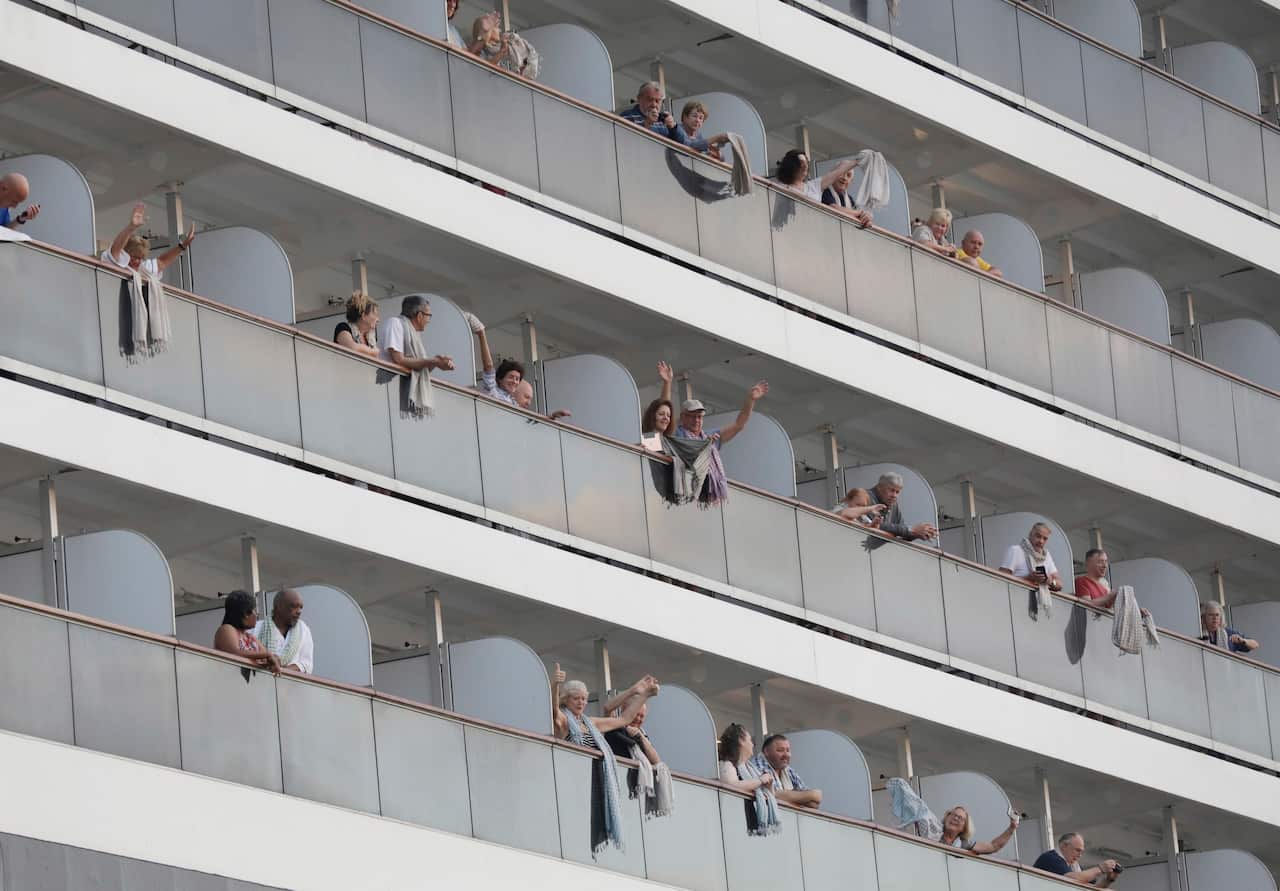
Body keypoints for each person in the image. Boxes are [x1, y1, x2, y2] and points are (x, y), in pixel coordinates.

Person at [551, 665, 659, 854]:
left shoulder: (590, 722)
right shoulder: (565, 722)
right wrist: (555, 685)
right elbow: (553, 712)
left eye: (584, 698)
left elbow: (624, 719)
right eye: (576, 698)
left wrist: (644, 694)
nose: (581, 702)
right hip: (574, 776)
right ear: (566, 700)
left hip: (592, 779)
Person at [602, 677, 674, 818]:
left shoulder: (641, 735)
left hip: (634, 798)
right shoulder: (614, 725)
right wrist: (634, 690)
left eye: (642, 716)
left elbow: (657, 762)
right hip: (616, 786)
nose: (639, 719)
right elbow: (607, 708)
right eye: (636, 714)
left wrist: (641, 738)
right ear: (625, 709)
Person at [377, 295, 454, 419]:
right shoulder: (395, 323)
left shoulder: (415, 336)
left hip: (394, 393)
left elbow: (420, 369)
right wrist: (433, 361)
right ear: (419, 315)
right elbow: (399, 360)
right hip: (385, 389)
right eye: (429, 315)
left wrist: (436, 363)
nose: (429, 320)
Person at [717, 723, 781, 836]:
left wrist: (769, 786)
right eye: (750, 740)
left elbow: (768, 797)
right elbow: (732, 786)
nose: (753, 744)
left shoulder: (752, 770)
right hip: (736, 825)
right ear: (741, 740)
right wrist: (760, 781)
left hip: (750, 824)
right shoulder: (727, 765)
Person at [102, 202, 195, 276]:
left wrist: (183, 246)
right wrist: (131, 227)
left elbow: (162, 262)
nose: (137, 261)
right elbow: (116, 248)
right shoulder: (118, 261)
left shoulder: (142, 268)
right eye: (134, 257)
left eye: (140, 258)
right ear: (125, 254)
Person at [463, 311, 521, 407]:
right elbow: (488, 366)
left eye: (517, 379)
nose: (514, 381)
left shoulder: (514, 403)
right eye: (511, 377)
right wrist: (481, 333)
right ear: (500, 379)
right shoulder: (492, 390)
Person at [212, 590, 280, 673]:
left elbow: (265, 655)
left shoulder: (249, 637)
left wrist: (274, 659)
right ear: (245, 613)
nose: (256, 614)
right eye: (254, 610)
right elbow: (234, 654)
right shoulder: (227, 629)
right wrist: (268, 655)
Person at [749, 734, 822, 809]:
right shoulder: (758, 764)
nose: (786, 755)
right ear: (766, 752)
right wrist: (807, 796)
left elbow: (814, 803)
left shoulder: (788, 770)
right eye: (780, 750)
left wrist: (788, 796)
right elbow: (771, 794)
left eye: (788, 750)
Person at [253, 588, 314, 674]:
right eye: (293, 606)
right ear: (278, 606)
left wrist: (280, 671)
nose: (299, 611)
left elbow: (306, 665)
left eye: (301, 607)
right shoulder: (257, 628)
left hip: (290, 685)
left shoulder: (304, 630)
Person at [1073, 549, 1149, 617]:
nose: (1105, 566)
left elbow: (1114, 612)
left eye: (1106, 562)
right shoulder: (1081, 581)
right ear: (1088, 563)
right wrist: (1110, 596)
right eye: (1100, 562)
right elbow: (1085, 606)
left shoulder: (1105, 589)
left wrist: (1135, 612)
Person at [866, 472, 938, 542]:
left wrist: (918, 533)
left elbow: (901, 532)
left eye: (897, 492)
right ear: (879, 487)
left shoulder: (893, 505)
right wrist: (911, 530)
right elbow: (873, 525)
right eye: (891, 490)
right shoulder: (865, 496)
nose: (894, 496)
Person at [774, 149, 859, 205]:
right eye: (800, 163)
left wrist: (857, 161)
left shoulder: (813, 186)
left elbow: (838, 171)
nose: (805, 166)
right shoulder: (780, 188)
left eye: (806, 163)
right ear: (790, 165)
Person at [1033, 832, 1120, 887]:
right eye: (1077, 850)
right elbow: (1071, 879)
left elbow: (1092, 887)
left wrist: (1109, 879)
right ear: (1064, 846)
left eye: (1081, 852)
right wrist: (1100, 868)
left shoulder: (1074, 866)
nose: (1080, 855)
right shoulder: (1050, 858)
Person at [470, 12, 540, 79]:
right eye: (496, 27)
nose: (500, 30)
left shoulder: (503, 54)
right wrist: (483, 34)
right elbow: (481, 69)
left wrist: (522, 68)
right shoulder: (482, 51)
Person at [999, 521, 1063, 593]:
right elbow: (1001, 578)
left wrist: (1051, 582)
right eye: (1038, 536)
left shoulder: (1046, 556)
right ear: (1030, 535)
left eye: (1045, 538)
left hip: (1039, 602)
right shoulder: (1016, 550)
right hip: (1016, 595)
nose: (1041, 541)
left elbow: (1060, 584)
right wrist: (1029, 578)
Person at [938, 805, 1019, 855]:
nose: (955, 818)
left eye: (960, 818)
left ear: (963, 828)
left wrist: (1011, 828)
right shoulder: (933, 830)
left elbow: (993, 846)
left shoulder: (963, 843)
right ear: (946, 818)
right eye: (953, 815)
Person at [640, 360, 677, 452]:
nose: (666, 418)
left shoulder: (667, 442)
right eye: (661, 414)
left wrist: (668, 382)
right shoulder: (648, 438)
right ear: (652, 416)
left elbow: (664, 404)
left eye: (668, 415)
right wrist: (667, 383)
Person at [333, 291, 380, 358]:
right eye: (375, 314)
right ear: (363, 316)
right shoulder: (343, 328)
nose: (378, 319)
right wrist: (374, 352)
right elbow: (353, 348)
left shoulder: (371, 335)